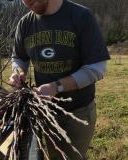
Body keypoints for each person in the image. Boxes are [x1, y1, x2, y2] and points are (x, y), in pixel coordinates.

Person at [9, 0, 110, 159]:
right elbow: (18, 57)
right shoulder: (25, 24)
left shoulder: (81, 16)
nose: (26, 3)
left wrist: (56, 87)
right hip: (45, 111)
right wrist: (18, 71)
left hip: (77, 113)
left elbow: (96, 68)